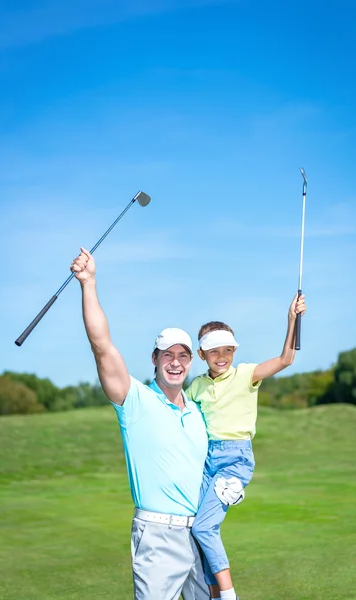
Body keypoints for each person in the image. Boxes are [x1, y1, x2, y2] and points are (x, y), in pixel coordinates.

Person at [70, 247, 239, 600]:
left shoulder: (197, 411)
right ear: (155, 358)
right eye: (168, 355)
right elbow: (101, 346)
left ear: (191, 361)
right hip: (157, 536)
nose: (175, 362)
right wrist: (89, 284)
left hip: (198, 535)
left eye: (183, 355)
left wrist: (234, 482)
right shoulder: (135, 400)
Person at [186, 294, 307, 600]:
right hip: (207, 460)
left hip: (235, 459)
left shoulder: (246, 375)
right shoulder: (197, 385)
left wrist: (292, 319)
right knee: (194, 530)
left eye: (228, 350)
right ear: (202, 354)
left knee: (203, 528)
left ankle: (228, 596)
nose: (222, 356)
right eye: (214, 351)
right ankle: (212, 594)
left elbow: (285, 359)